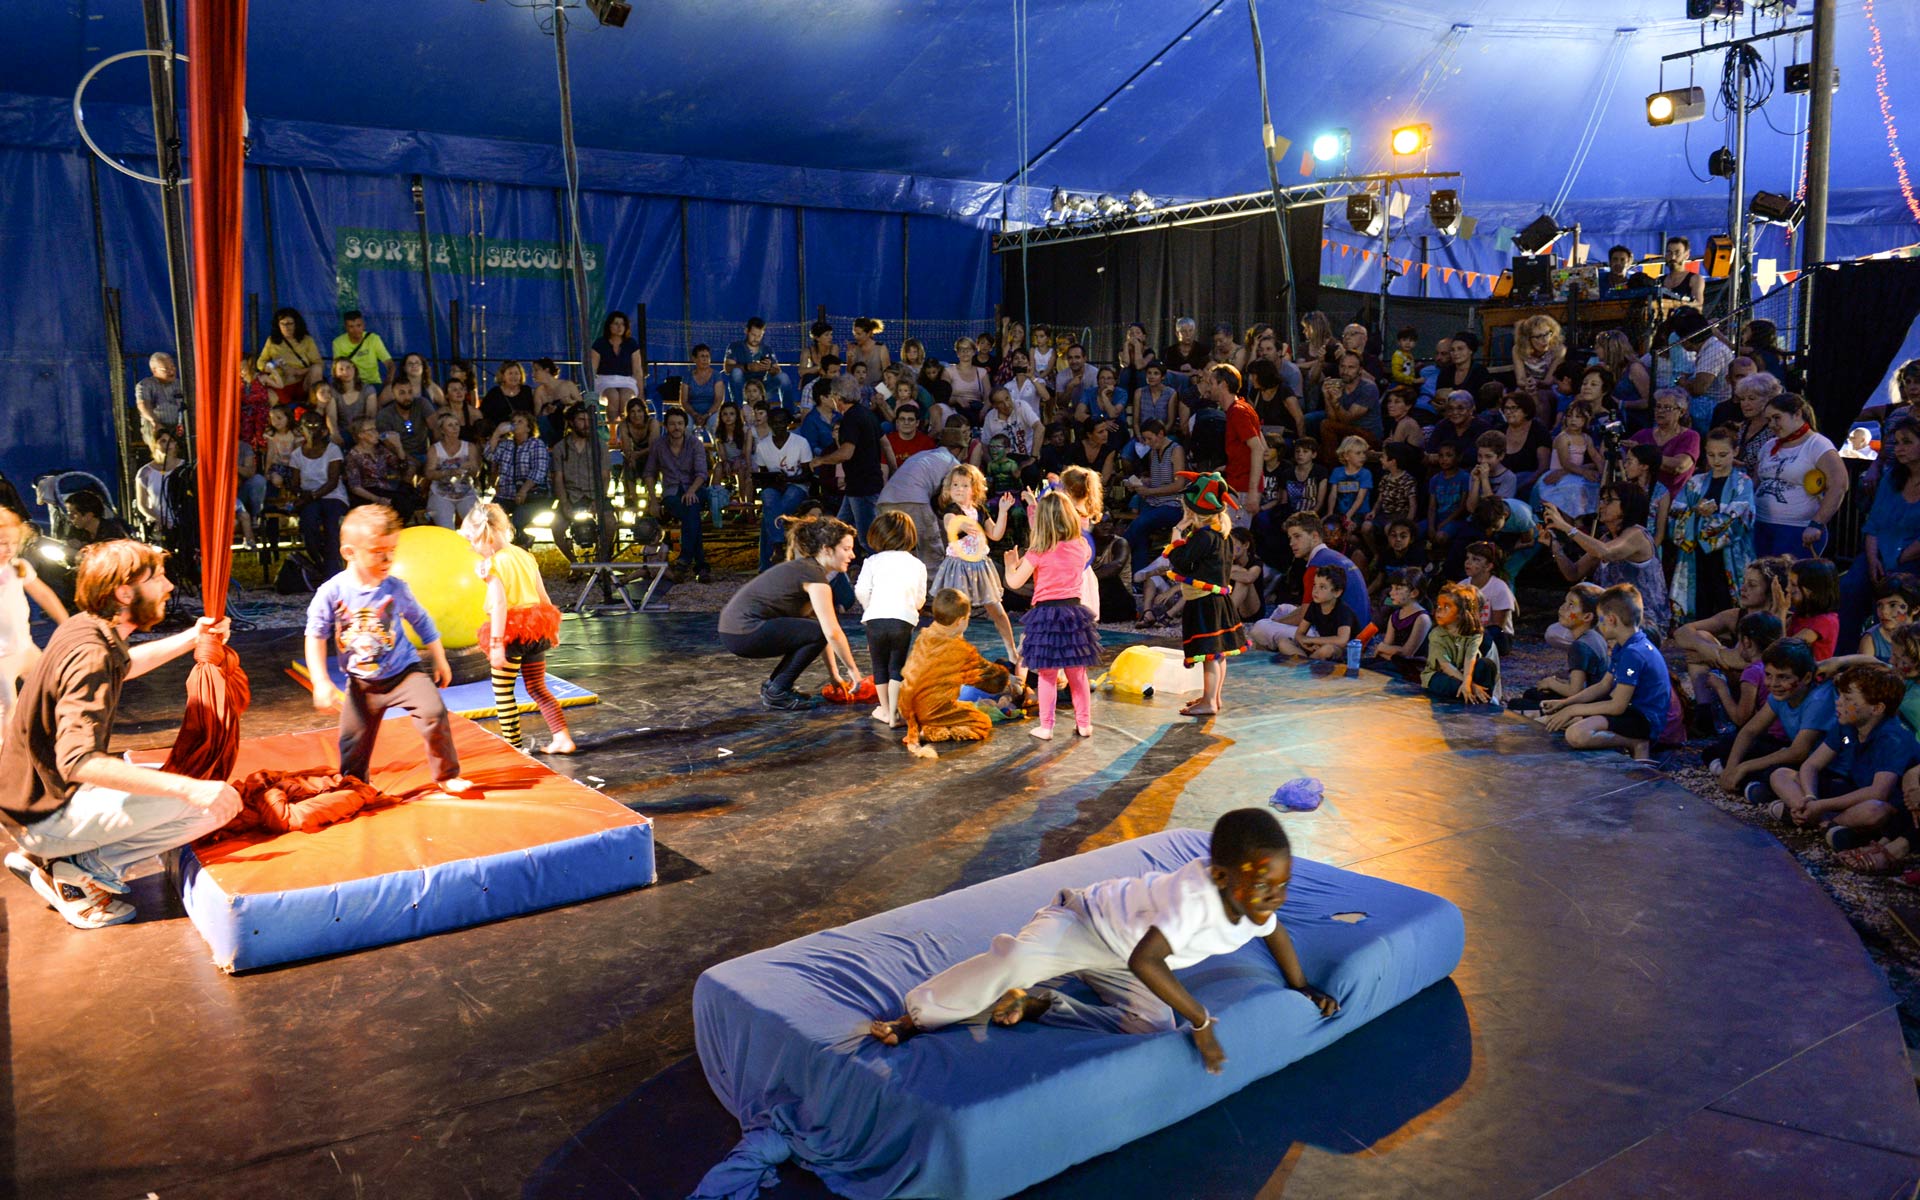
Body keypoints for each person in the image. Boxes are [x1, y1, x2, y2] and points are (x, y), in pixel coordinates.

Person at [868, 807, 1337, 1071]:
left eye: (1282, 884)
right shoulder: (1194, 898)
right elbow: (1148, 962)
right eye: (1263, 885)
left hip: (1126, 956)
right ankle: (916, 1016)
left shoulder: (1256, 904)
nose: (1275, 897)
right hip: (1086, 923)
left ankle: (1040, 1005)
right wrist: (1200, 1021)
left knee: (1150, 1029)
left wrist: (1301, 986)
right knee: (1014, 962)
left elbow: (1276, 935)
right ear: (1218, 875)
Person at [0, 541, 239, 928]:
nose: (169, 588)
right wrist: (190, 790)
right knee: (215, 801)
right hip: (44, 816)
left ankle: (46, 856)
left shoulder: (86, 628)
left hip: (27, 803)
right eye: (157, 578)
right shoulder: (92, 655)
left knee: (181, 783)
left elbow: (122, 667)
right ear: (125, 593)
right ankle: (77, 877)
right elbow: (78, 761)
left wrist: (193, 637)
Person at [304, 504, 469, 792]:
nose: (387, 559)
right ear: (349, 553)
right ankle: (355, 783)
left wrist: (440, 659)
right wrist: (320, 681)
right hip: (362, 683)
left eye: (392, 551)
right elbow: (315, 635)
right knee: (352, 740)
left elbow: (422, 622)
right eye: (377, 552)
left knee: (433, 713)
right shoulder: (332, 592)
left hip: (404, 672)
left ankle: (446, 775)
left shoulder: (395, 588)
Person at [1759, 664, 1919, 849]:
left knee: (1874, 810)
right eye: (1840, 695)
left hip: (1883, 805)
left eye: (1848, 699)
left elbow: (1878, 792)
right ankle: (1816, 819)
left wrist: (1821, 806)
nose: (1839, 702)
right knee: (1781, 775)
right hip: (1851, 790)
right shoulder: (1846, 730)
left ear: (1877, 708)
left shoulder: (1892, 739)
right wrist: (1811, 798)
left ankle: (1819, 820)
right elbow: (1812, 765)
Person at [718, 515, 863, 710]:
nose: (852, 555)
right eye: (846, 549)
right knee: (818, 630)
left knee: (814, 630)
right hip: (744, 631)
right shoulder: (813, 576)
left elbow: (818, 630)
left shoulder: (809, 570)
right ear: (827, 550)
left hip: (735, 631)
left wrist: (834, 676)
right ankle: (777, 690)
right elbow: (831, 632)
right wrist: (853, 671)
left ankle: (775, 686)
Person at [460, 504, 572, 755]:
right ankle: (562, 737)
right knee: (536, 687)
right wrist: (551, 630)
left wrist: (497, 644)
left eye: (472, 542)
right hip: (535, 628)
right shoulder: (525, 555)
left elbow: (499, 604)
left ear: (484, 537)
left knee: (503, 692)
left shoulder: (494, 565)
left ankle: (514, 747)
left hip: (511, 631)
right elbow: (543, 597)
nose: (473, 549)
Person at [1001, 491, 1098, 740]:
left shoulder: (1038, 552)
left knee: (1047, 674)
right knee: (1078, 674)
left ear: (1042, 521)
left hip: (1046, 615)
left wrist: (1010, 563)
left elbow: (1014, 582)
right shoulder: (1081, 546)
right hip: (1074, 613)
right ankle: (1084, 723)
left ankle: (1047, 726)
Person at [1542, 584, 1672, 760]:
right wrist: (1566, 703)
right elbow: (1604, 685)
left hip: (1643, 720)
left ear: (1611, 620)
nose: (1598, 625)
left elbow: (1617, 706)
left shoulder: (1634, 653)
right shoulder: (1624, 645)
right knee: (1566, 718)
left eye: (1600, 619)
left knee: (1576, 735)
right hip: (1630, 711)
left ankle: (1636, 743)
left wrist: (1573, 710)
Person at [1162, 473, 1250, 715]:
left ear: (1192, 512)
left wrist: (1177, 533)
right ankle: (1213, 697)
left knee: (1209, 654)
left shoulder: (1203, 537)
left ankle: (1209, 702)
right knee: (1218, 653)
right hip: (1218, 602)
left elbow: (1181, 562)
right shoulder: (1222, 535)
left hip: (1204, 603)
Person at [1541, 483, 1672, 642]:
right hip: (1610, 618)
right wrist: (1554, 545)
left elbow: (1605, 552)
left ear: (1627, 506)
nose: (1601, 505)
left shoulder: (1637, 534)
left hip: (1643, 622)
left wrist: (1566, 526)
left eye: (1609, 501)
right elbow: (1573, 573)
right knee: (1555, 633)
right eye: (1601, 500)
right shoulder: (1606, 539)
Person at [898, 589, 1018, 760]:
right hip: (933, 709)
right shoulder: (960, 650)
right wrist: (1007, 679)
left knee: (966, 705)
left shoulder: (925, 635)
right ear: (961, 621)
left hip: (908, 707)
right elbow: (988, 677)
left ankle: (923, 726)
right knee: (981, 722)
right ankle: (932, 732)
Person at [1714, 636, 1837, 797]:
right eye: (1768, 675)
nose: (1773, 683)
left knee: (1774, 772)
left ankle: (1764, 788)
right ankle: (1748, 782)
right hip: (1797, 754)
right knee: (1729, 744)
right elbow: (1750, 731)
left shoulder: (1818, 700)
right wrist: (1731, 769)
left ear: (1806, 678)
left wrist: (1744, 767)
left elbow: (1798, 752)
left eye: (1783, 677)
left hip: (1825, 767)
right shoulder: (1781, 694)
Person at [933, 466, 1020, 670]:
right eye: (955, 485)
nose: (959, 489)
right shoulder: (952, 512)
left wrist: (1004, 511)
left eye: (965, 485)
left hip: (980, 566)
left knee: (997, 610)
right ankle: (954, 657)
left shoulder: (979, 510)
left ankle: (1012, 653)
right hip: (959, 567)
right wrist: (962, 526)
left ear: (974, 489)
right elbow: (950, 524)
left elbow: (996, 534)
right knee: (959, 614)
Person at [1841, 416, 1920, 641]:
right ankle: (1844, 655)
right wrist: (1873, 558)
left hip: (1911, 557)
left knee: (1899, 594)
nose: (1899, 448)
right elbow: (1873, 524)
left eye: (1907, 442)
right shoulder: (1891, 477)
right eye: (1896, 443)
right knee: (1850, 588)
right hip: (1878, 551)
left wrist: (1897, 559)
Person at [1669, 427, 1756, 623]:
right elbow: (1675, 514)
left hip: (1730, 555)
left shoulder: (1743, 483)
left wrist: (1701, 519)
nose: (1716, 460)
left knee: (1727, 599)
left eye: (1723, 455)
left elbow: (1741, 519)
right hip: (1695, 554)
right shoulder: (1694, 483)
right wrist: (1695, 513)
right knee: (1700, 599)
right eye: (1711, 454)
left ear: (1736, 451)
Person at [1247, 512, 1368, 652]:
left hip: (1340, 637)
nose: (1292, 543)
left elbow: (1304, 616)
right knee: (1284, 608)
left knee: (1260, 627)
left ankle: (1275, 645)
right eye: (1290, 538)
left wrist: (1275, 623)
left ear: (1315, 536)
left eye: (1297, 536)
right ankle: (1274, 642)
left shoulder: (1317, 565)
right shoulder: (1331, 556)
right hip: (1356, 629)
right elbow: (1310, 609)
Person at [1752, 392, 1846, 558]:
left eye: (1777, 417)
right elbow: (1754, 483)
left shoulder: (1817, 444)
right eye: (1768, 420)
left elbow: (1839, 485)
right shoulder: (1768, 446)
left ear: (1797, 414)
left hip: (1797, 530)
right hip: (1760, 527)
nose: (1771, 424)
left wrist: (1817, 523)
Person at [855, 510, 927, 729]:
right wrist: (910, 609)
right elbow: (920, 598)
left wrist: (870, 608)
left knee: (879, 665)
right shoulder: (917, 564)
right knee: (897, 665)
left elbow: (861, 590)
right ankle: (896, 714)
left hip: (876, 618)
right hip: (903, 620)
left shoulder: (872, 561)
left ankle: (885, 710)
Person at [0, 509, 68, 720]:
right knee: (7, 706)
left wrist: (65, 623)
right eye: (2, 543)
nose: (9, 548)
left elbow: (44, 595)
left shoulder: (19, 567)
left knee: (51, 688)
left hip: (25, 648)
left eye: (13, 543)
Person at [1513, 584, 1609, 715]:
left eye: (1571, 605)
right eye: (1565, 602)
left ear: (1587, 617)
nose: (1563, 608)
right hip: (1592, 698)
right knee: (1532, 694)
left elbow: (1575, 691)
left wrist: (1551, 683)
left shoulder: (1580, 646)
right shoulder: (1594, 636)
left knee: (1516, 705)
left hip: (1589, 705)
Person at [811, 383, 885, 551]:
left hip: (861, 487)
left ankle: (883, 572)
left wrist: (821, 461)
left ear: (838, 398)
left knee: (868, 541)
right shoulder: (868, 414)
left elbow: (846, 453)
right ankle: (832, 574)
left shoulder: (850, 419)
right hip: (862, 484)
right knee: (837, 535)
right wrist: (894, 470)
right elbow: (885, 444)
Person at [643, 407, 709, 580]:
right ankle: (700, 565)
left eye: (680, 424)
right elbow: (649, 473)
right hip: (672, 491)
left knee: (691, 506)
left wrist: (691, 491)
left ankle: (685, 560)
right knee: (691, 514)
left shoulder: (694, 443)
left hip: (695, 489)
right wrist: (653, 500)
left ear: (686, 426)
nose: (676, 427)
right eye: (672, 424)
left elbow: (702, 473)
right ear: (666, 426)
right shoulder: (659, 444)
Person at [550, 404, 615, 563]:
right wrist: (564, 502)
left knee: (610, 522)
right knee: (557, 528)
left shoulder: (599, 445)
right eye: (581, 420)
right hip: (572, 495)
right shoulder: (560, 447)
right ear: (571, 422)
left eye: (588, 420)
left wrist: (598, 499)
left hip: (595, 492)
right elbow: (558, 478)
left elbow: (605, 476)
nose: (586, 424)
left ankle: (601, 558)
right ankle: (574, 562)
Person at [753, 406, 816, 571]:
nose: (778, 426)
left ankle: (769, 559)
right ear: (770, 424)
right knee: (767, 497)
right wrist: (775, 480)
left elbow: (808, 475)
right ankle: (778, 545)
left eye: (782, 422)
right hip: (774, 487)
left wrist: (787, 479)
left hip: (797, 485)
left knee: (771, 513)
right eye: (774, 423)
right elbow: (763, 477)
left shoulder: (800, 443)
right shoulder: (762, 446)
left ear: (788, 423)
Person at [1123, 420, 1188, 577]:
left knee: (1139, 524)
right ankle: (1139, 573)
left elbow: (1179, 484)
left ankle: (1117, 552)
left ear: (1160, 434)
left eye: (1150, 439)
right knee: (1140, 533)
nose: (1147, 443)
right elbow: (1157, 479)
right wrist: (1141, 483)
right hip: (1154, 502)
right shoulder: (1153, 452)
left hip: (1172, 504)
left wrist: (1150, 491)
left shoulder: (1175, 450)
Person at [290, 409, 349, 573]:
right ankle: (319, 563)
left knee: (332, 526)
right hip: (309, 498)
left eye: (316, 426)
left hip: (333, 496)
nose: (312, 430)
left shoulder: (333, 450)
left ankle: (333, 570)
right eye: (307, 426)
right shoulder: (296, 455)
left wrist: (312, 496)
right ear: (301, 430)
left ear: (324, 430)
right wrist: (301, 494)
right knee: (308, 525)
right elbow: (295, 483)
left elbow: (332, 482)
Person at [1424, 582, 1499, 704]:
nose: (1439, 610)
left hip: (1468, 677)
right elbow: (1445, 665)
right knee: (1446, 683)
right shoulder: (1437, 633)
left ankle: (1481, 700)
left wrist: (1469, 683)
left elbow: (1472, 659)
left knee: (1486, 665)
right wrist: (1471, 685)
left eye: (1447, 607)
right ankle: (1468, 697)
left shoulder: (1479, 636)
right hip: (1449, 676)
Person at [1535, 402, 1602, 517]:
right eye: (1569, 416)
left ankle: (1580, 522)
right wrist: (1585, 472)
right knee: (1572, 492)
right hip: (1561, 475)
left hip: (1576, 473)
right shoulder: (1563, 438)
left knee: (1592, 487)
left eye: (1578, 417)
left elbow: (1595, 456)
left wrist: (1602, 474)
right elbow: (1566, 463)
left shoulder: (1586, 438)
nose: (1573, 420)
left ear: (1586, 420)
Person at [1629, 389, 1701, 494]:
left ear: (1681, 412)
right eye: (1658, 406)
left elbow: (1679, 466)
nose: (1660, 411)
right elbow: (1622, 460)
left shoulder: (1690, 436)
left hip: (1674, 499)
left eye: (1667, 408)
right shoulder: (1643, 435)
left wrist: (1644, 453)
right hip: (1642, 495)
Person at [257, 307, 323, 405]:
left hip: (302, 382)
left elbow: (318, 363)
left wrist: (298, 372)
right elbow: (260, 363)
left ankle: (312, 406)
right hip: (280, 382)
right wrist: (273, 367)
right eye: (282, 324)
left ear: (296, 324)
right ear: (278, 325)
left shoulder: (307, 340)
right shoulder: (272, 341)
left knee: (317, 369)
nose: (286, 327)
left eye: (290, 324)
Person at [1373, 567, 1431, 675]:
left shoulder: (1422, 618)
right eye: (1392, 588)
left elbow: (1407, 653)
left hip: (1411, 668)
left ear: (1414, 593)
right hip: (1392, 662)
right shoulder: (1395, 616)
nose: (1391, 593)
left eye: (1398, 589)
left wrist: (1383, 648)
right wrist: (1386, 650)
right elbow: (1382, 650)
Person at [590, 311, 642, 426]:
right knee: (613, 396)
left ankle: (626, 431)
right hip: (605, 381)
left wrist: (641, 393)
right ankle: (613, 432)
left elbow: (637, 370)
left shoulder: (631, 344)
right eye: (616, 324)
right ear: (609, 326)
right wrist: (590, 388)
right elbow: (592, 368)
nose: (619, 327)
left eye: (622, 324)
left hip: (627, 381)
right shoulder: (600, 343)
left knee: (625, 397)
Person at [723, 317, 791, 406]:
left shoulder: (767, 350)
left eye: (759, 336)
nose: (756, 339)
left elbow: (777, 371)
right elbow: (727, 368)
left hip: (761, 388)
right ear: (746, 331)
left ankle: (789, 412)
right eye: (753, 335)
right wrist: (748, 367)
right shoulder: (735, 346)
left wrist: (769, 368)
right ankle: (738, 409)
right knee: (736, 372)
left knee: (783, 377)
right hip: (742, 388)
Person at [1785, 557, 1841, 660]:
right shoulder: (1800, 615)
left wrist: (1780, 610)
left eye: (1793, 585)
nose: (1787, 589)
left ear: (1811, 591)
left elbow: (1783, 650)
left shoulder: (1825, 621)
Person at [375, 379, 437, 463]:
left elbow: (435, 428)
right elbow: (389, 446)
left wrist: (436, 453)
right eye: (402, 393)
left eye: (410, 392)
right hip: (399, 456)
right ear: (393, 394)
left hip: (424, 454)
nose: (407, 397)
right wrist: (412, 461)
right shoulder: (385, 415)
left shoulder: (422, 404)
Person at [134, 352, 184, 448]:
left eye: (173, 367)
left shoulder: (180, 384)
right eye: (166, 369)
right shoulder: (145, 385)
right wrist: (155, 422)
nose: (172, 371)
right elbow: (143, 404)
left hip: (179, 426)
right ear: (154, 370)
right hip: (157, 426)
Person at [331, 310, 392, 389]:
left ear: (364, 325)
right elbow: (339, 368)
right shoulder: (338, 342)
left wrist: (389, 381)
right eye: (351, 327)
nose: (356, 330)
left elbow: (389, 363)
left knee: (391, 392)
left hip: (373, 383)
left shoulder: (373, 339)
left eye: (358, 325)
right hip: (351, 384)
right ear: (345, 327)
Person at [1658, 235, 1707, 309]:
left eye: (1677, 253)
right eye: (1669, 252)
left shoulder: (1695, 279)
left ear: (1686, 255)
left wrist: (1673, 304)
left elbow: (1698, 304)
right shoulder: (1659, 280)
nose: (1673, 257)